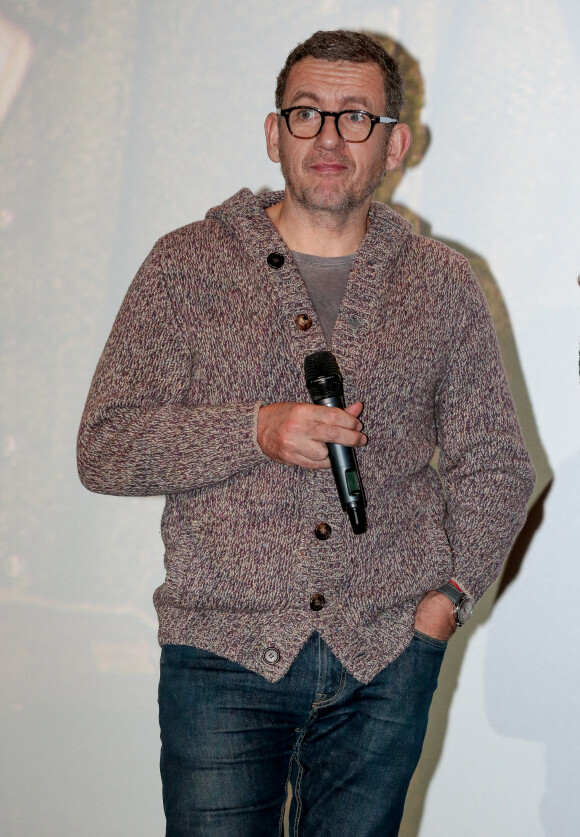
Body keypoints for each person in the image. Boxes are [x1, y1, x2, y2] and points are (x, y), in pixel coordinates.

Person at [77, 29, 535, 837]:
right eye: (307, 113)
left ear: (394, 144)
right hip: (220, 654)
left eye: (355, 116)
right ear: (272, 132)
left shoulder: (441, 283)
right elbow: (105, 445)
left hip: (386, 654)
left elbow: (496, 462)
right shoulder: (186, 265)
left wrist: (448, 602)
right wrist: (251, 431)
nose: (328, 137)